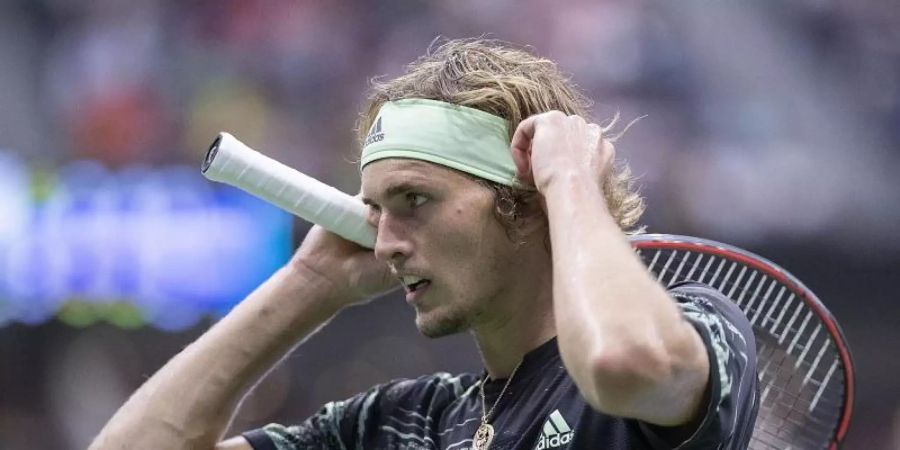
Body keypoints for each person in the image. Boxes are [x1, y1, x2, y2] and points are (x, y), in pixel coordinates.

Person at [90, 38, 758, 450]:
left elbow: (620, 362)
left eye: (416, 201)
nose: (385, 243)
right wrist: (308, 284)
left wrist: (570, 178)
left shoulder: (701, 328)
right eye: (375, 211)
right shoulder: (412, 423)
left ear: (523, 205)